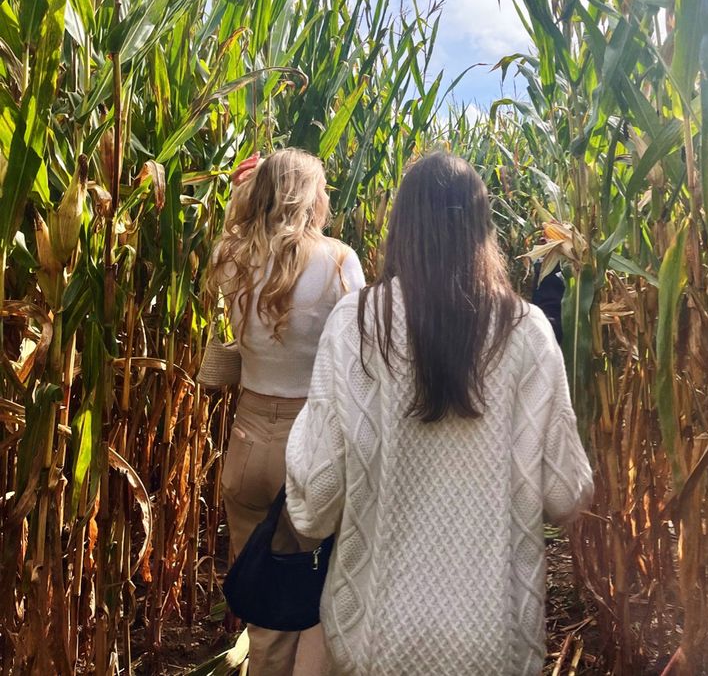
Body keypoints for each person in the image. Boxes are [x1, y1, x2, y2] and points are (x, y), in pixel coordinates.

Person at [285, 152, 593, 676]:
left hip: (373, 640)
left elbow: (314, 506)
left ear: (401, 228)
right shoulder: (529, 331)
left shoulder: (355, 323)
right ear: (482, 230)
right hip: (496, 641)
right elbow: (567, 494)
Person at [207, 148, 365, 676]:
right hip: (313, 444)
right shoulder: (340, 261)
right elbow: (361, 361)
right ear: (309, 197)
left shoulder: (229, 257)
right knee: (319, 595)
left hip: (248, 441)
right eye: (321, 190)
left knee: (268, 610)